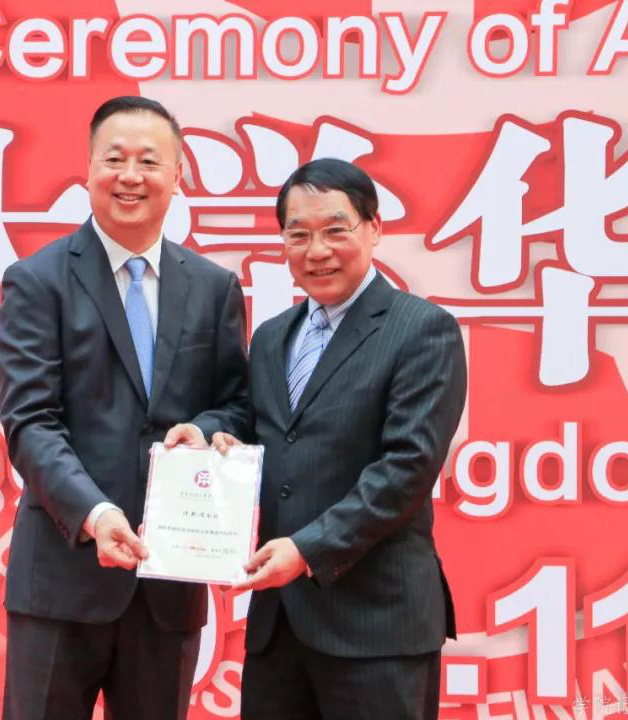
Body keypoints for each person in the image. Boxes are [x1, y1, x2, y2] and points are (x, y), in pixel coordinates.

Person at [0, 96, 250, 720]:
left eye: (149, 161)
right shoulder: (38, 281)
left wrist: (206, 431)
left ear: (177, 176)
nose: (130, 176)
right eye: (114, 159)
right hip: (62, 577)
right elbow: (30, 422)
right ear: (88, 169)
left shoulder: (213, 288)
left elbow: (236, 405)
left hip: (168, 581)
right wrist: (96, 513)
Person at [212, 158, 467, 719]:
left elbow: (406, 469)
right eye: (298, 234)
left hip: (376, 625)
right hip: (279, 626)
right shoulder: (274, 335)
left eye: (335, 230)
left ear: (374, 229)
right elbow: (253, 425)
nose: (316, 250)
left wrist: (307, 550)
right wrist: (205, 435)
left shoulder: (422, 330)